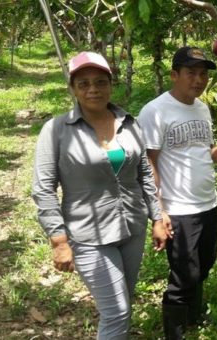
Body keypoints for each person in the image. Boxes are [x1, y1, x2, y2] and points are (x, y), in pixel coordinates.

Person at [32, 51, 169, 340]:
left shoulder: (128, 122)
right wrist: (58, 240)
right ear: (72, 89)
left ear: (110, 84)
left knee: (124, 301)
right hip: (87, 234)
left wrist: (157, 216)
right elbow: (43, 189)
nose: (93, 89)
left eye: (100, 81)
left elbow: (143, 171)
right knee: (117, 311)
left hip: (132, 227)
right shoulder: (56, 130)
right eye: (83, 83)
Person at [137, 46, 217, 339]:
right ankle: (175, 331)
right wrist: (159, 212)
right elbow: (149, 163)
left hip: (208, 202)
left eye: (203, 74)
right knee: (184, 275)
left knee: (205, 263)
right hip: (178, 208)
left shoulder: (201, 108)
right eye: (191, 73)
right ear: (174, 75)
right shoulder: (155, 111)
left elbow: (207, 150)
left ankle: (193, 317)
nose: (198, 80)